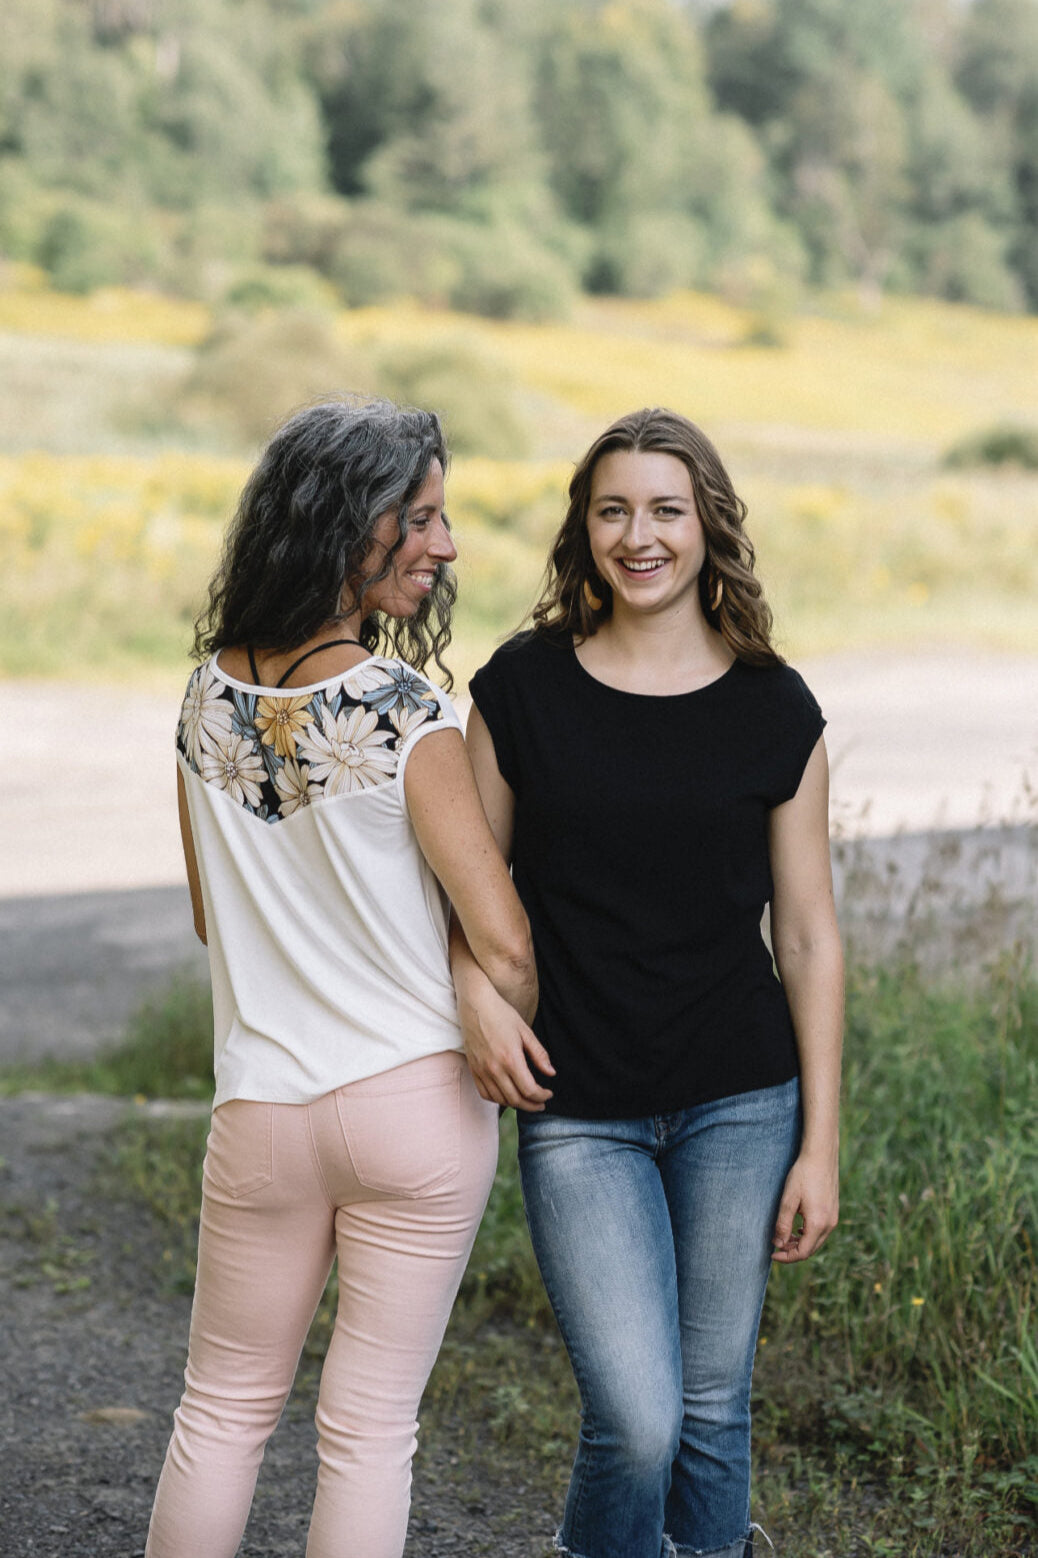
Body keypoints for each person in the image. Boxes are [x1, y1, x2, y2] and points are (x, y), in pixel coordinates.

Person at [146, 398, 537, 1558]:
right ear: (340, 524)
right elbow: (506, 941)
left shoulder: (204, 700)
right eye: (417, 517)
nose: (447, 542)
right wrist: (470, 985)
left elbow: (218, 923)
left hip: (261, 1105)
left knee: (219, 1413)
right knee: (368, 1431)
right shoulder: (405, 713)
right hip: (411, 1103)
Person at [451, 407, 844, 1558]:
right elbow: (467, 890)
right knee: (637, 1418)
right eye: (614, 508)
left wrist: (821, 1140)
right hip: (579, 1106)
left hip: (742, 1098)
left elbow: (810, 934)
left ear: (708, 527)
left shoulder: (777, 706)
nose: (641, 535)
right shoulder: (522, 688)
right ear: (585, 527)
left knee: (715, 1415)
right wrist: (472, 990)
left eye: (666, 510)